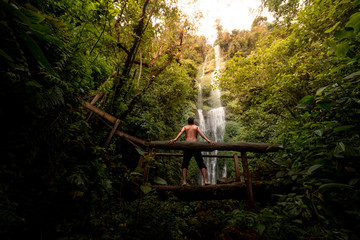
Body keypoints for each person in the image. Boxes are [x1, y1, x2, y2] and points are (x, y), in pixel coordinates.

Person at [169, 117, 214, 186]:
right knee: (201, 163)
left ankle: (184, 182)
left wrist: (175, 139)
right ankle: (205, 180)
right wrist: (208, 140)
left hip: (187, 146)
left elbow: (180, 133)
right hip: (195, 146)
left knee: (185, 163)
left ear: (188, 122)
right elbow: (202, 135)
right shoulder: (196, 127)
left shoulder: (185, 127)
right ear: (193, 121)